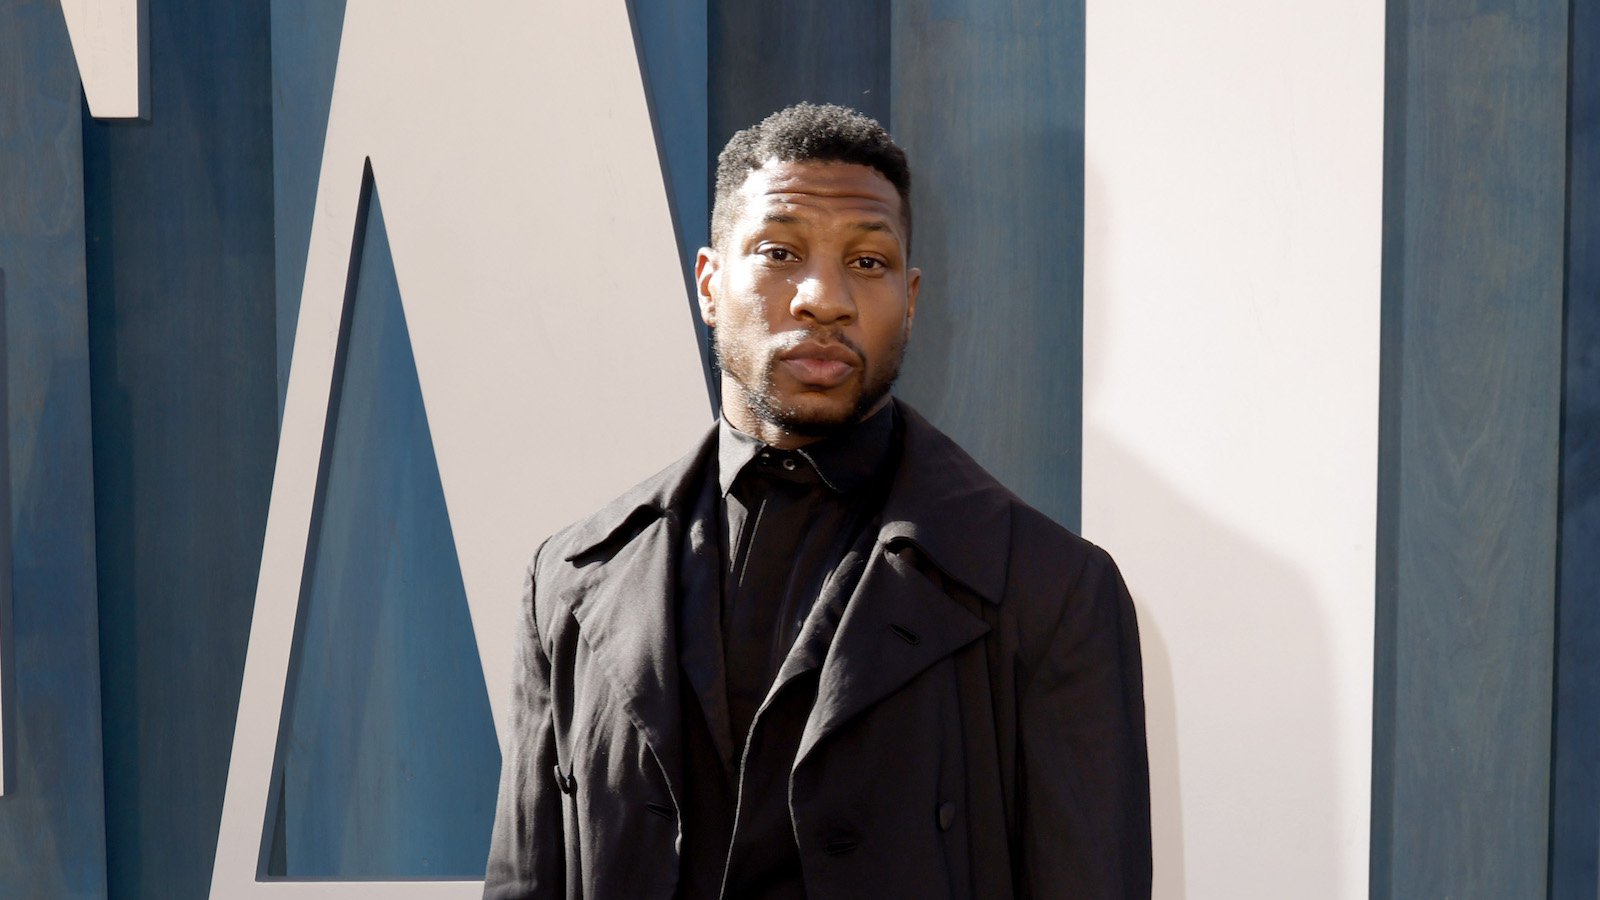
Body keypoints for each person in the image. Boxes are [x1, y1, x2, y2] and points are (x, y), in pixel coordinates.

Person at [483, 102, 1151, 899]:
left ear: (909, 297)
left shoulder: (1051, 591)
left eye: (866, 263)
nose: (822, 298)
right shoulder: (567, 582)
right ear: (708, 282)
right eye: (778, 251)